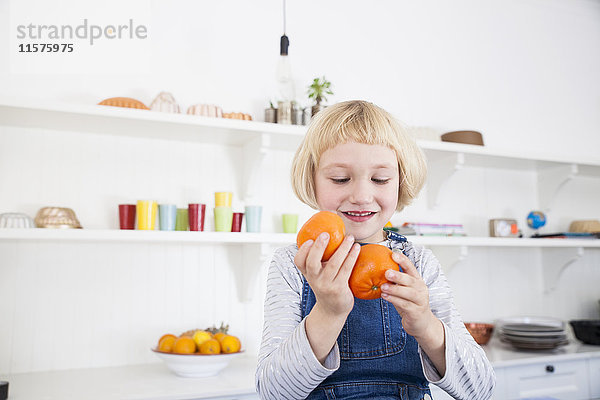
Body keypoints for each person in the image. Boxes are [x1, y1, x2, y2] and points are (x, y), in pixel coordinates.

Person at [255, 100, 495, 400]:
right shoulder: (292, 265)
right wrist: (328, 312)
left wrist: (426, 325)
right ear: (312, 181)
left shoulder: (419, 263)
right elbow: (273, 392)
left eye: (380, 179)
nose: (361, 195)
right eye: (340, 179)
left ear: (400, 182)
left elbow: (482, 389)